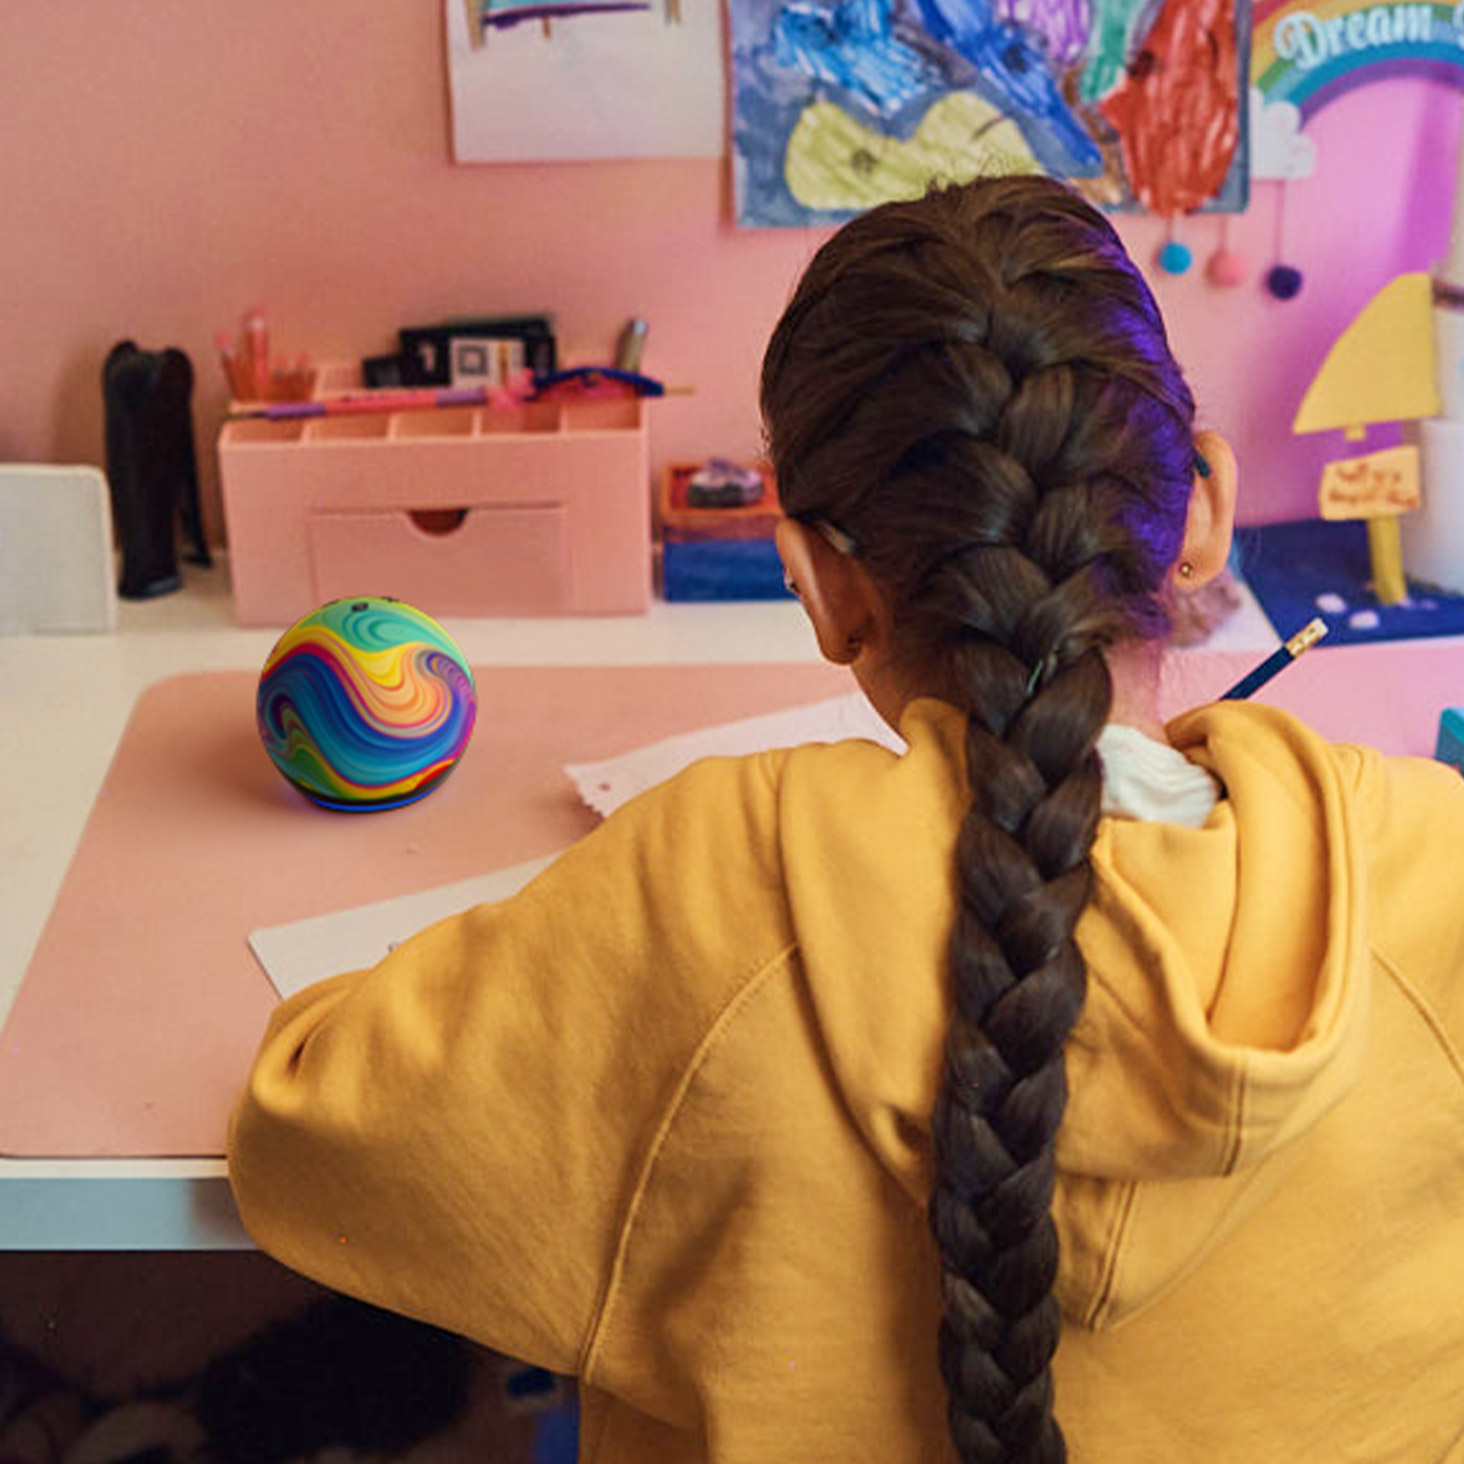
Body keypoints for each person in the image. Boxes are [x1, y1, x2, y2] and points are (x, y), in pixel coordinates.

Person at [228, 176, 1464, 1463]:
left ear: (820, 583)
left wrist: (580, 946)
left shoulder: (710, 885)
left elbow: (311, 1132)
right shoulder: (1434, 868)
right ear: (1199, 513)